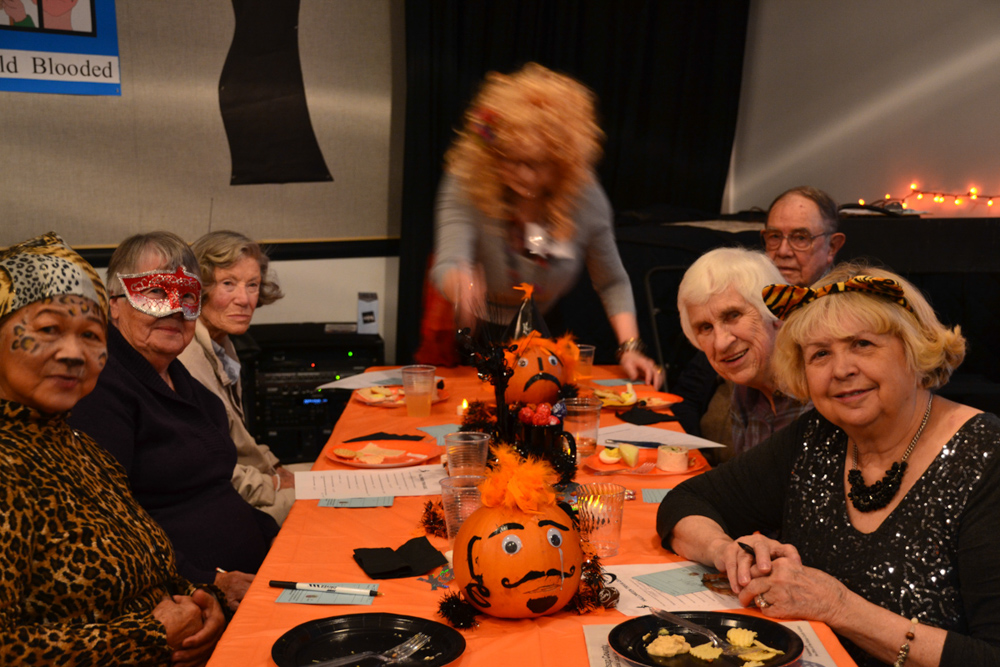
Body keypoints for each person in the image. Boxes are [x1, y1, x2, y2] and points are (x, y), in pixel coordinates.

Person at [658, 262, 1000, 666]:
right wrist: (726, 551)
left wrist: (839, 607)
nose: (841, 370)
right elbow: (686, 501)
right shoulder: (818, 437)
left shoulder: (985, 457)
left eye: (862, 344)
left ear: (914, 349)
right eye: (820, 354)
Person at [0, 232, 225, 666]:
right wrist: (148, 636)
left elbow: (145, 566)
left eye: (89, 334)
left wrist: (203, 600)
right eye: (48, 330)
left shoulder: (81, 448)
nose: (74, 354)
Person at [70, 232, 279, 611]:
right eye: (154, 293)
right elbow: (109, 526)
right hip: (189, 599)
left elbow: (218, 489)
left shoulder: (189, 386)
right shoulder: (99, 389)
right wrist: (211, 582)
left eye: (187, 296)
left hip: (256, 575)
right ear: (114, 304)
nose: (174, 309)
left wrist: (274, 536)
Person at [430, 62, 661, 387]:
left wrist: (631, 348)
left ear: (563, 163)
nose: (523, 175)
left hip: (544, 330)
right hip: (477, 334)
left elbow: (611, 281)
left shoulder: (584, 196)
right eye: (510, 159)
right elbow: (449, 260)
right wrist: (459, 282)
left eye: (536, 164)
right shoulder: (469, 182)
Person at [178, 231, 295, 525]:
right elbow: (207, 468)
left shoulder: (223, 343)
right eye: (228, 283)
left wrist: (274, 466)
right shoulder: (184, 358)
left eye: (252, 285)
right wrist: (274, 484)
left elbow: (238, 439)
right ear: (198, 287)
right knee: (341, 501)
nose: (244, 300)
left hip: (252, 481)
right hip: (221, 503)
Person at [677, 247, 810, 456]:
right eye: (706, 327)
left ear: (776, 313)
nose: (720, 343)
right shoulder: (745, 388)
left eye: (733, 315)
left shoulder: (817, 389)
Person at [763, 185, 846, 287]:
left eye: (800, 238)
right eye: (775, 236)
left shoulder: (850, 296)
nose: (783, 251)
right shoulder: (750, 292)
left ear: (832, 247)